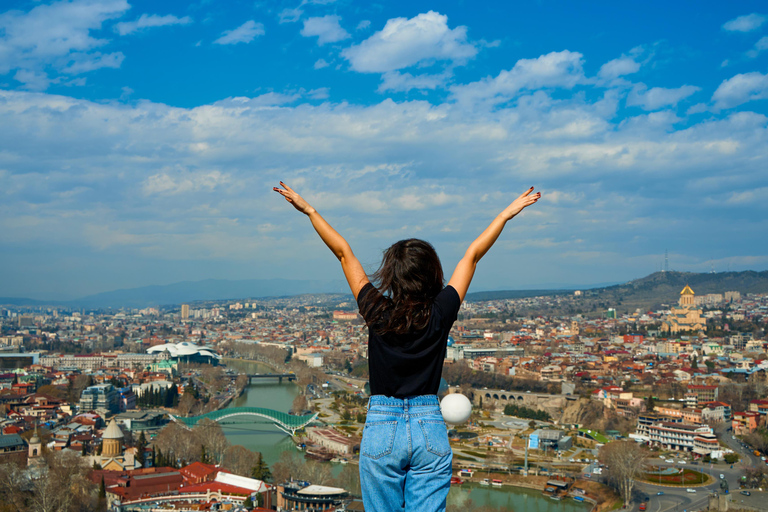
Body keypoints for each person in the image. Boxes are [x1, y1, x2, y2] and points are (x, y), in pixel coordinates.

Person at [273, 181, 541, 512]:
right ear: (432, 274)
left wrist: (310, 210)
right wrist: (505, 215)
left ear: (392, 275)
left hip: (382, 425)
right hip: (429, 423)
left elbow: (344, 252)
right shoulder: (441, 312)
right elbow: (472, 256)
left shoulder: (376, 309)